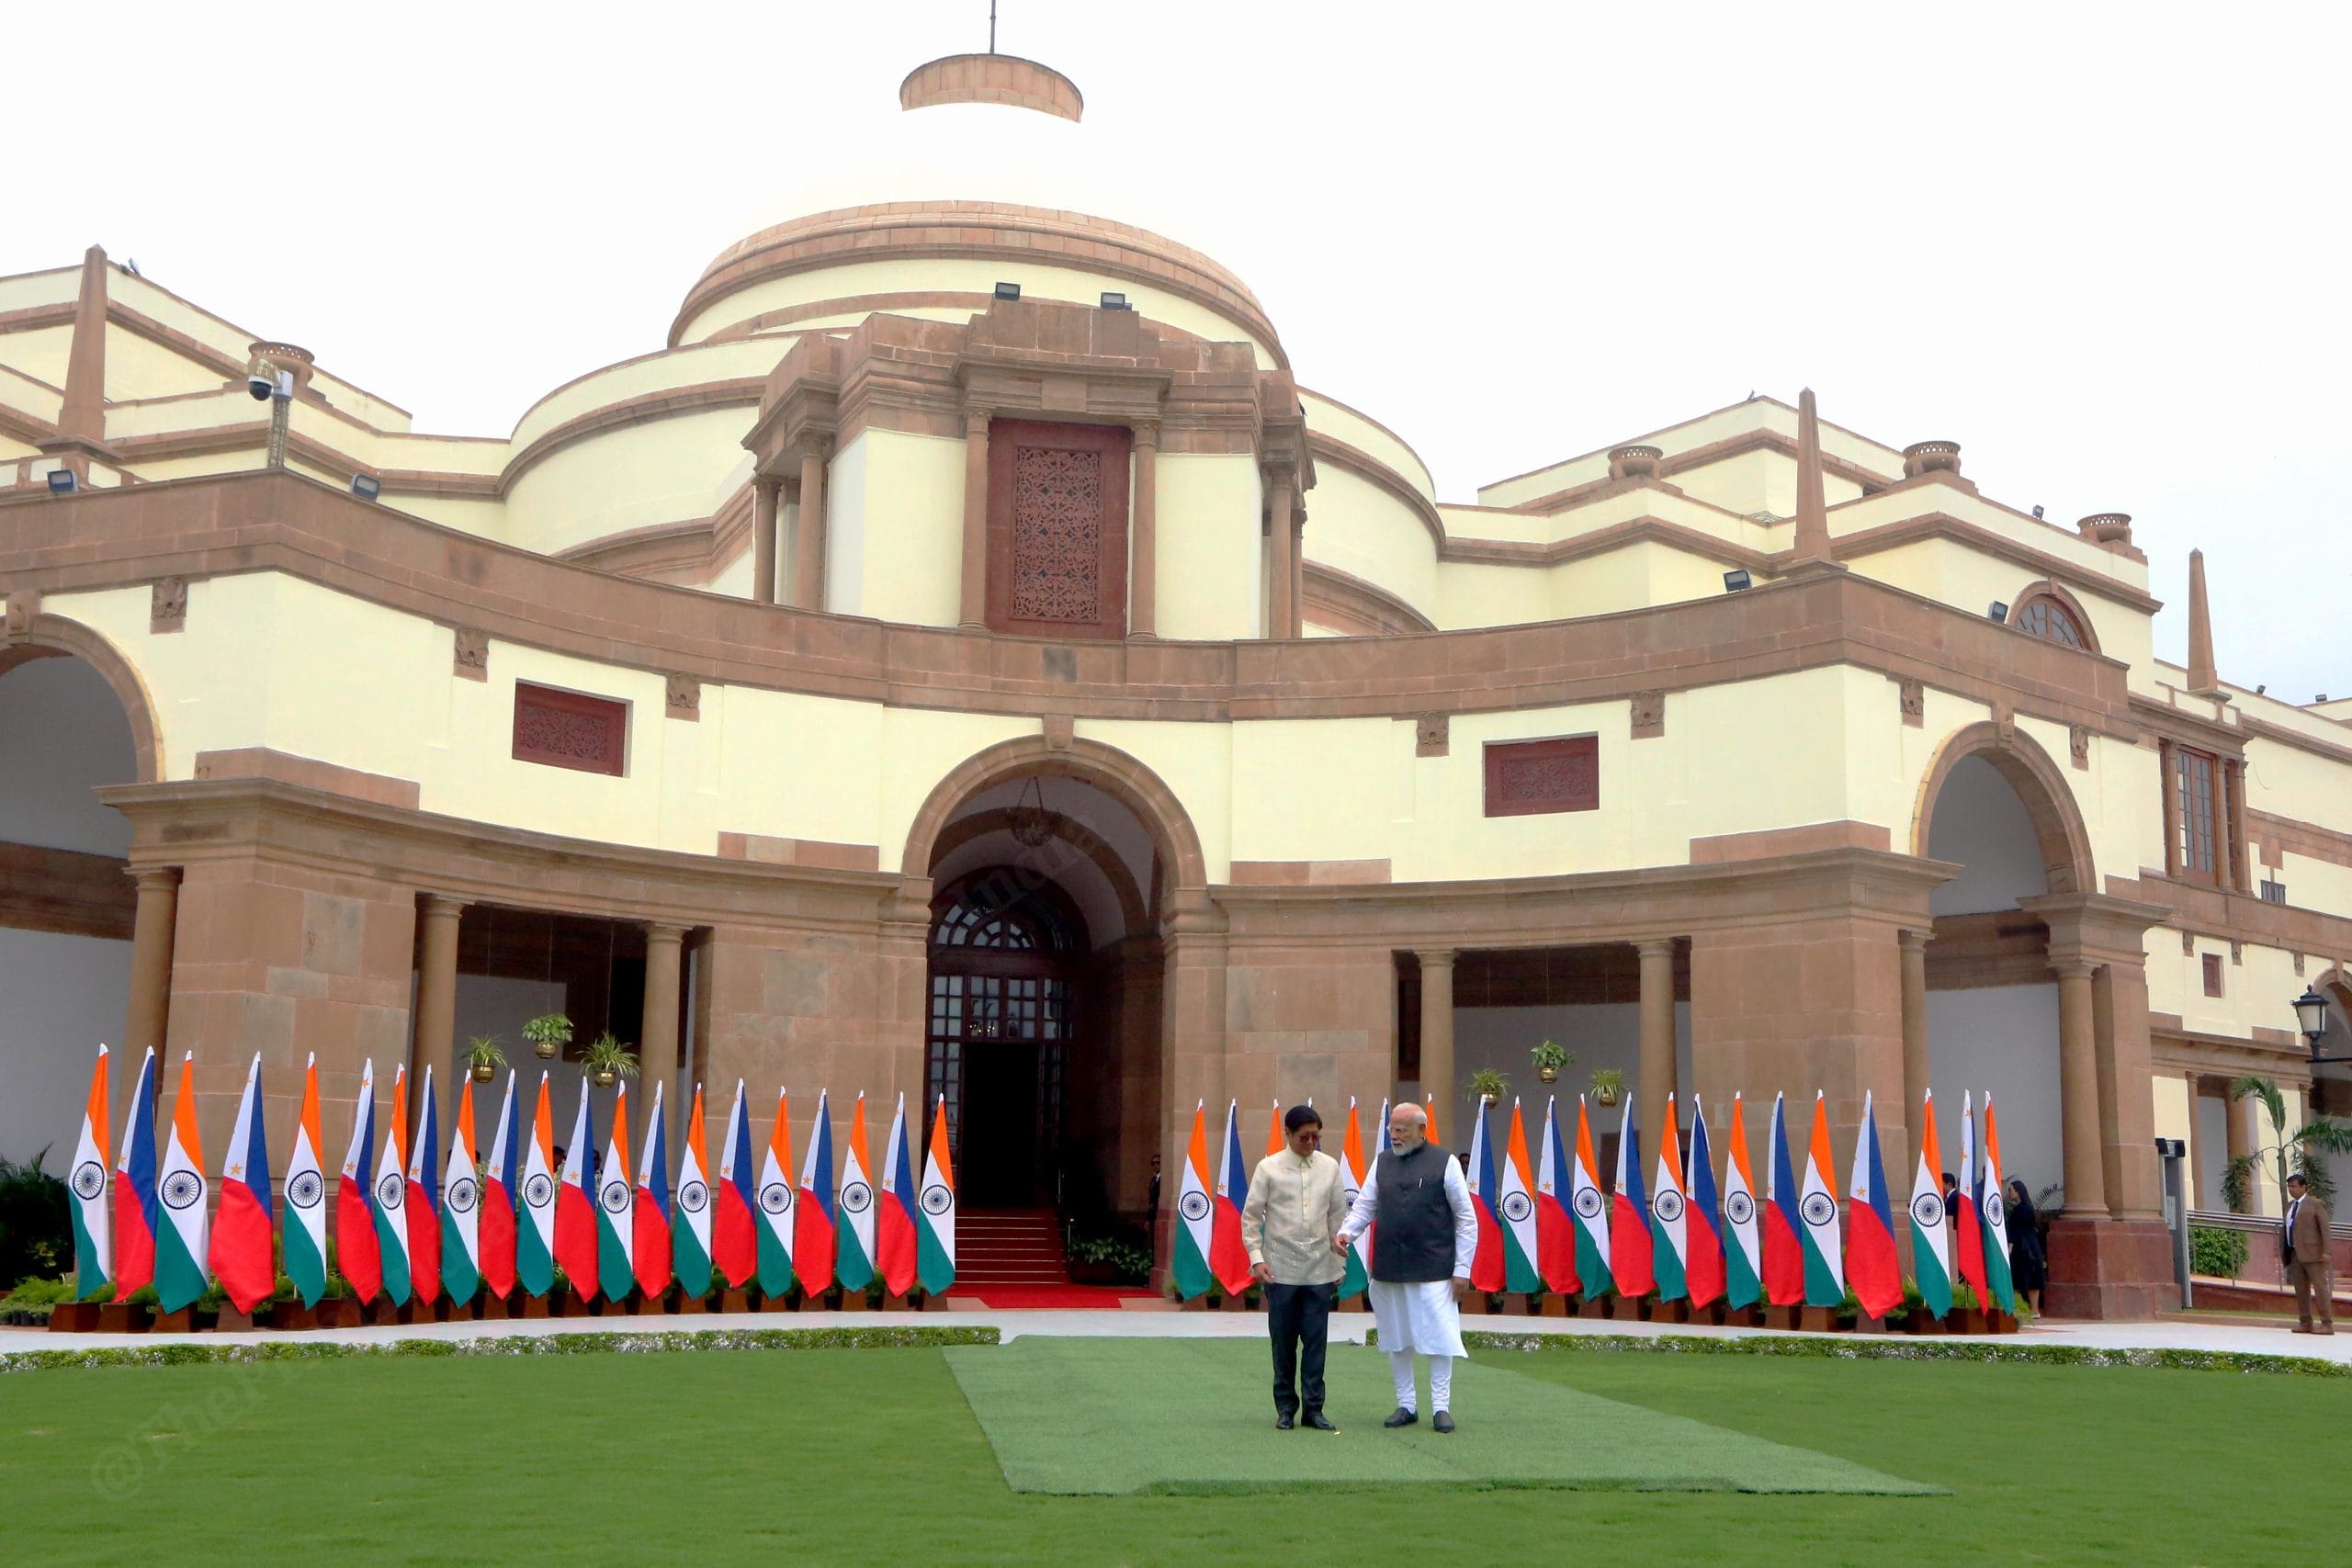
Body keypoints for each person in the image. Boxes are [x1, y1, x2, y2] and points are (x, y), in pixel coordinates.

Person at [1335, 1101, 1476, 1433]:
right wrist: (1346, 1233)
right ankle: (1406, 1405)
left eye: (1401, 1129)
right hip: (1389, 1268)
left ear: (1421, 1130)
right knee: (1396, 1338)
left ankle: (1441, 1408)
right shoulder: (1382, 1162)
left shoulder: (1446, 1162)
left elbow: (1467, 1219)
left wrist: (1463, 1269)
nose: (1395, 1136)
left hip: (1435, 1268)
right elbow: (1366, 1205)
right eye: (1392, 1129)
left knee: (1440, 1338)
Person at [1241, 1105, 1350, 1430]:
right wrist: (1256, 1258)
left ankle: (1314, 1410)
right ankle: (1286, 1408)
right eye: (1304, 1136)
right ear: (1287, 1134)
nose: (1311, 1142)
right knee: (1284, 1343)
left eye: (1316, 1136)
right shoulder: (1268, 1168)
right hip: (1279, 1270)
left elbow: (1337, 1218)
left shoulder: (1329, 1167)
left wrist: (1340, 1261)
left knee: (1316, 1343)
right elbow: (1250, 1217)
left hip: (1320, 1270)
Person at [2283, 1171, 2335, 1335]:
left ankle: (2327, 1324)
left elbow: (2325, 1229)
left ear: (2304, 1187)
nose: (2291, 1190)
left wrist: (2326, 1251)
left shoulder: (2315, 1204)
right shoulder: (2289, 1206)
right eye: (2289, 1187)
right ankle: (2305, 1322)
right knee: (2301, 1290)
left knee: (2321, 1290)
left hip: (2314, 1254)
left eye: (2294, 1186)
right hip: (2294, 1254)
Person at [2006, 1178, 2047, 1314]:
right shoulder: (2022, 1208)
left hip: (2026, 1247)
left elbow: (2019, 1229)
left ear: (2018, 1191)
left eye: (2010, 1190)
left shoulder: (2024, 1209)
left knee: (2031, 1277)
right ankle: (2023, 1308)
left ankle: (2034, 1310)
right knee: (2019, 1277)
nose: (2009, 1193)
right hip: (2024, 1245)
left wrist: (2011, 1244)